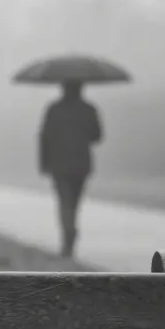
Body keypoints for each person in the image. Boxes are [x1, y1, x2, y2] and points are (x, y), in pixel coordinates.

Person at [38, 80, 103, 258]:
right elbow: (97, 136)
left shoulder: (54, 109)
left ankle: (68, 233)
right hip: (81, 163)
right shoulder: (89, 109)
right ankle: (70, 231)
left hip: (59, 163)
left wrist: (44, 163)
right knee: (74, 201)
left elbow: (44, 137)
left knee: (64, 200)